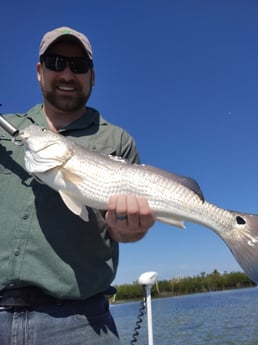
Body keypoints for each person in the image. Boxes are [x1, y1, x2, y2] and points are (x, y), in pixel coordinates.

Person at [0, 26, 154, 345]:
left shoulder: (118, 141)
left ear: (92, 76)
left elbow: (123, 233)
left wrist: (130, 228)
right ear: (39, 71)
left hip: (80, 324)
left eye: (78, 66)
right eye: (56, 63)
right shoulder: (8, 132)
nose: (67, 73)